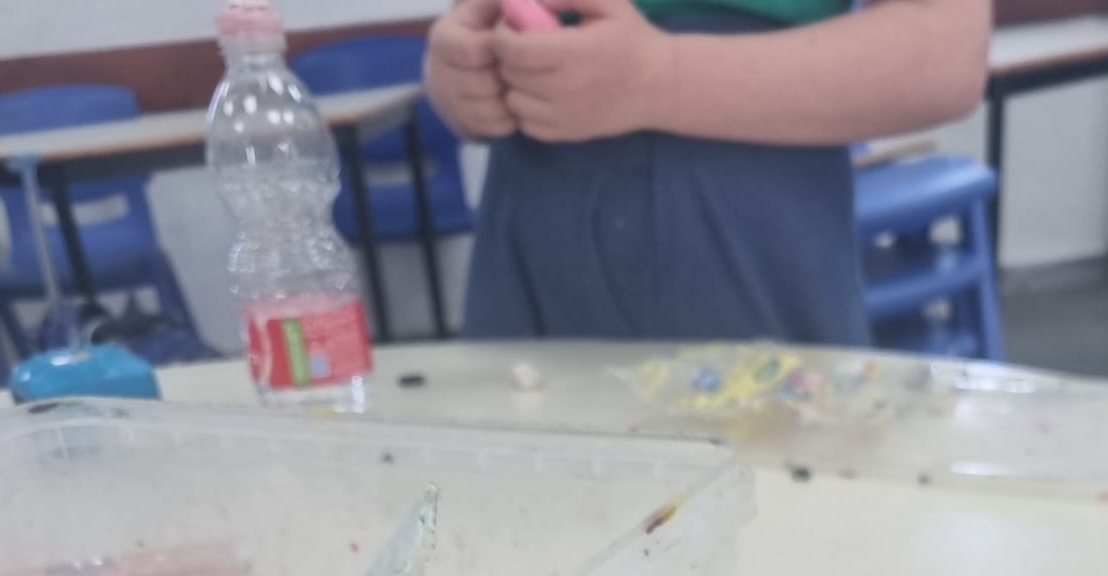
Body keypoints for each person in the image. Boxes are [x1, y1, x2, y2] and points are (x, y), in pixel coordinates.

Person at [425, 0, 992, 344]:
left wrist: (658, 78)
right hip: (528, 232)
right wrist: (460, 74)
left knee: (768, 486)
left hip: (746, 230)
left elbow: (946, 55)